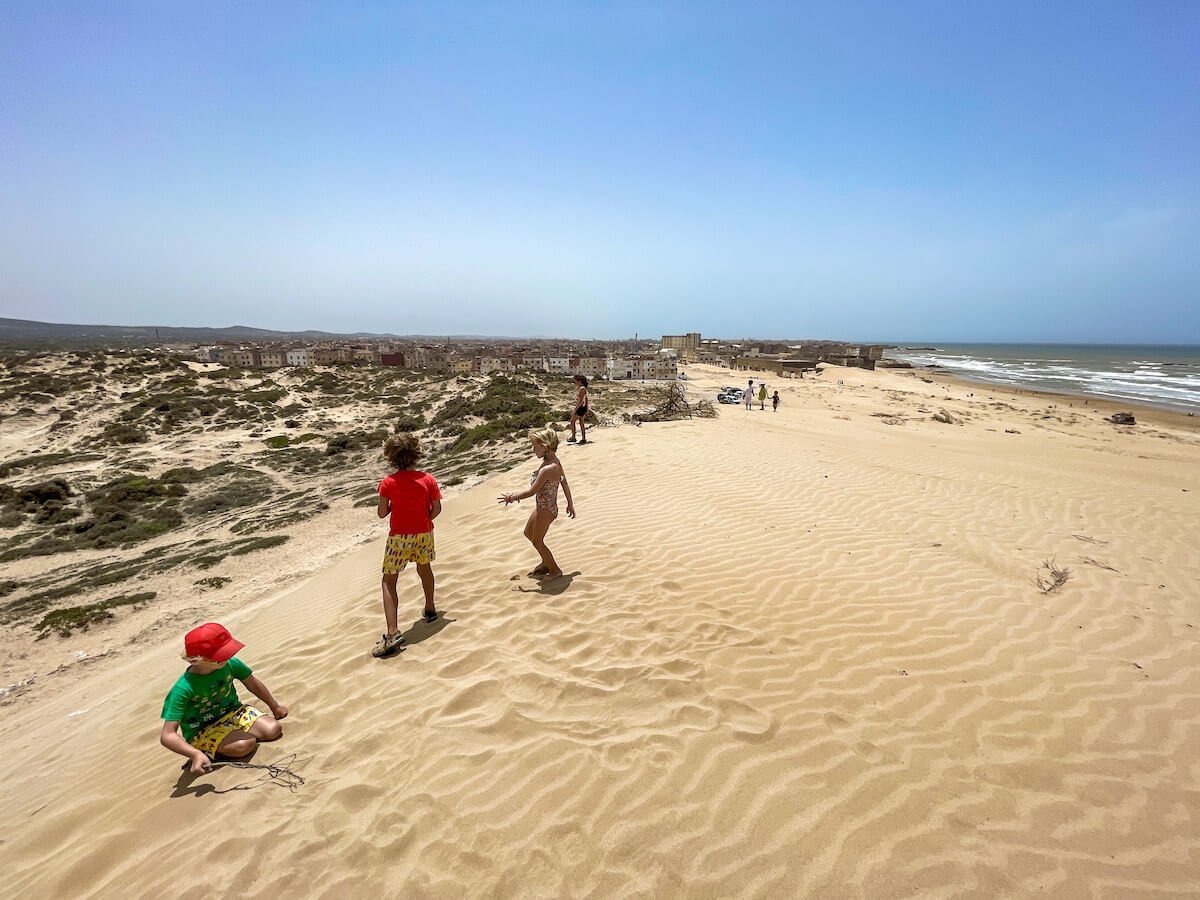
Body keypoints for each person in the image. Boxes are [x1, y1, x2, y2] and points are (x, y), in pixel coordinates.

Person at [160, 622, 287, 774]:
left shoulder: (230, 664)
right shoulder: (183, 689)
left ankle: (230, 740)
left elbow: (252, 683)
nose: (227, 657)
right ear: (195, 660)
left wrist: (275, 706)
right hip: (203, 729)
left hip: (234, 712)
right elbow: (167, 735)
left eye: (228, 652)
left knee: (273, 729)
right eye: (220, 656)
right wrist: (194, 754)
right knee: (244, 745)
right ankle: (205, 750)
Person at [374, 432, 442, 657]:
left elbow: (382, 513)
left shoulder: (388, 483)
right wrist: (422, 519)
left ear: (390, 457)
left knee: (389, 580)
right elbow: (437, 509)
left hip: (399, 537)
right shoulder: (428, 479)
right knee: (424, 568)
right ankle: (430, 608)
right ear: (416, 454)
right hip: (423, 533)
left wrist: (396, 508)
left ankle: (392, 632)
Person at [499, 427, 575, 578]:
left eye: (535, 446)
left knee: (537, 541)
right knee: (528, 533)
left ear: (545, 446)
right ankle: (546, 562)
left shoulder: (548, 468)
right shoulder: (553, 461)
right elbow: (563, 482)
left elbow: (531, 491)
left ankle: (555, 570)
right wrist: (569, 503)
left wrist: (512, 497)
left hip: (546, 510)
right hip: (542, 507)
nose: (533, 450)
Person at [567, 375, 590, 445]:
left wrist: (574, 410)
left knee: (572, 421)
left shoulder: (581, 389)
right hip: (583, 407)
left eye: (575, 381)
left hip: (580, 408)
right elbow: (586, 400)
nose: (575, 383)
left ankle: (573, 437)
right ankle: (583, 438)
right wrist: (587, 409)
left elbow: (580, 401)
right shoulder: (582, 388)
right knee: (581, 423)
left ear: (579, 381)